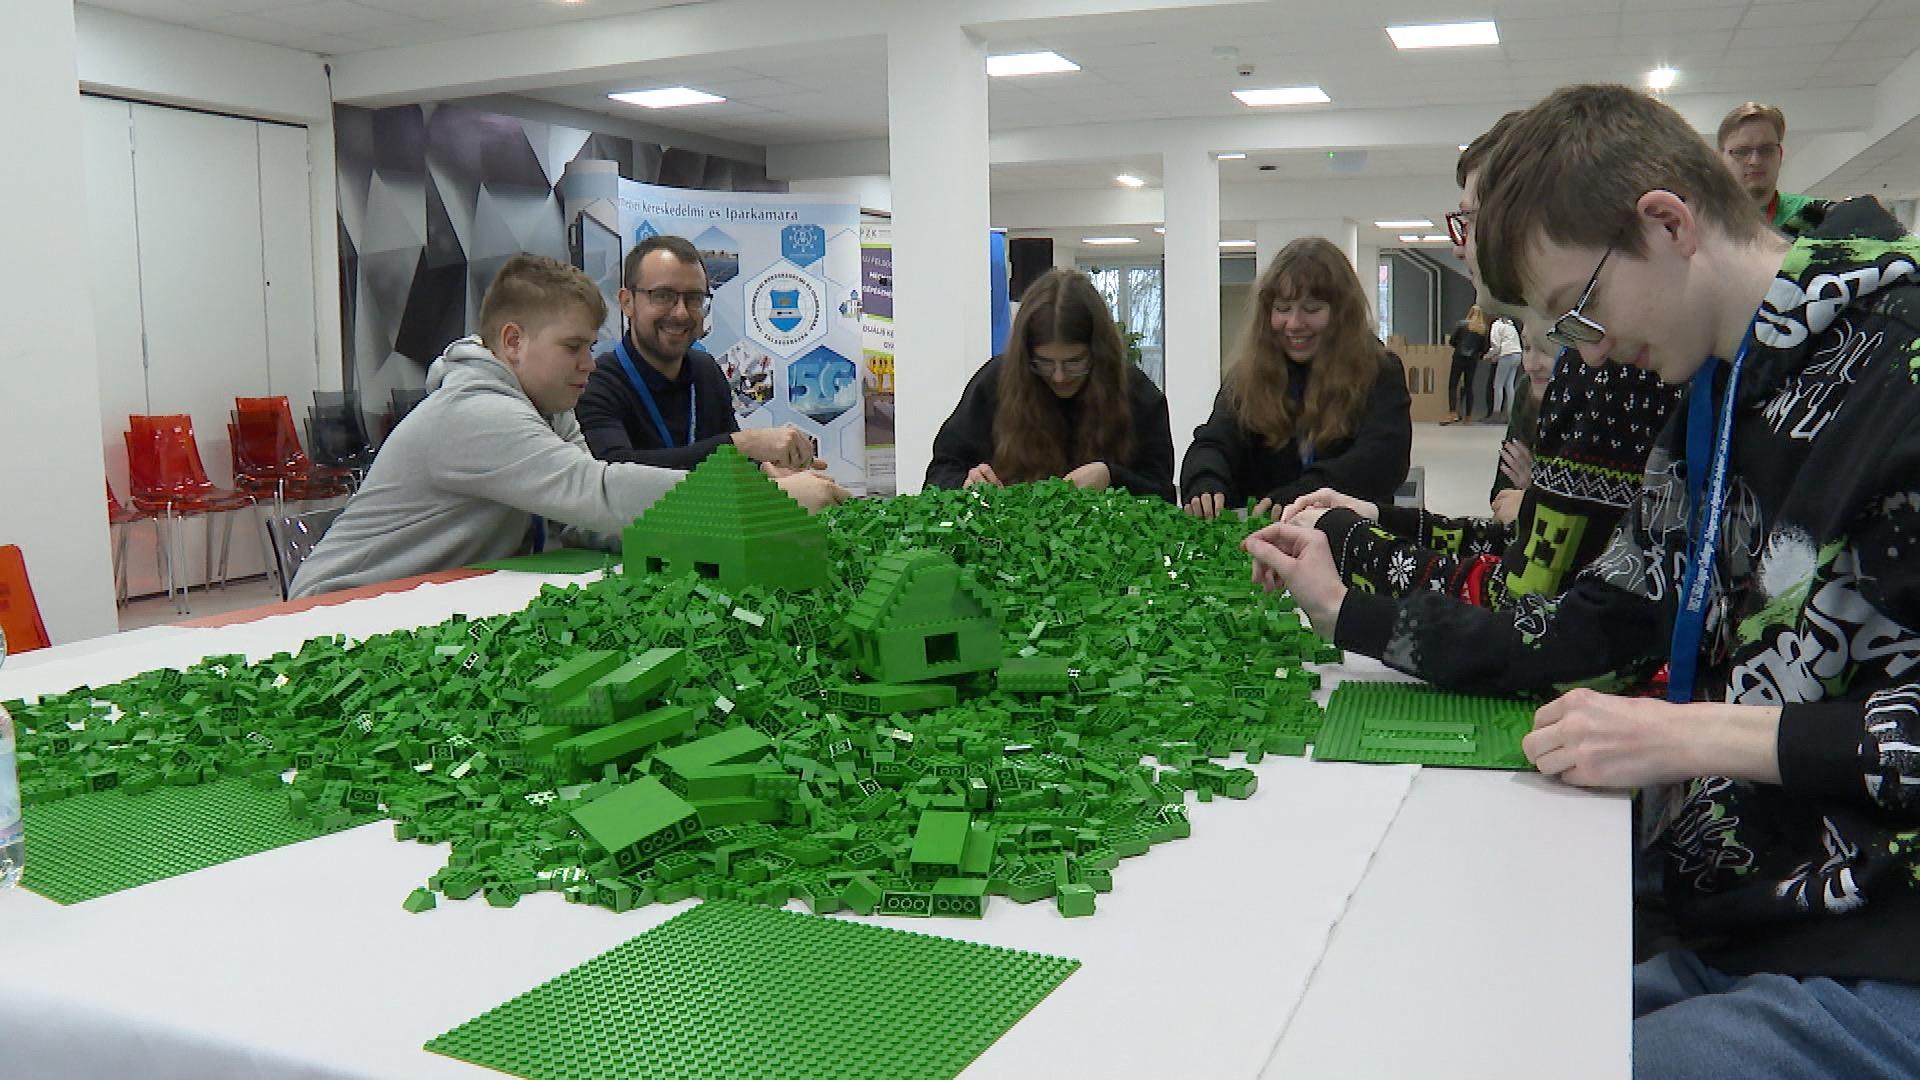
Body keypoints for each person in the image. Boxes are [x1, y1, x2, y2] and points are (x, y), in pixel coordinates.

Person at [1249, 83, 1920, 1078]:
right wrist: (1356, 614)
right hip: (1751, 909)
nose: (1590, 350)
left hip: (1884, 942)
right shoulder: (1712, 387)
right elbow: (1595, 620)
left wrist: (1690, 735)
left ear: (1667, 223)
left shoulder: (1901, 362)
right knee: (1469, 1026)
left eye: (1581, 306)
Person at [292, 255, 848, 598]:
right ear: (514, 341)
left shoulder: (549, 409)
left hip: (431, 596)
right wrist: (766, 499)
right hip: (338, 610)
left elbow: (585, 519)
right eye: (572, 347)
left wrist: (734, 523)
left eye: (590, 347)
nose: (588, 364)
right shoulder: (476, 413)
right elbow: (596, 492)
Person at [1180, 237, 1410, 519]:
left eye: (1311, 309)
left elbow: (1382, 459)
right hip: (1261, 536)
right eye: (1282, 309)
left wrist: (1307, 491)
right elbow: (1215, 441)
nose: (1294, 324)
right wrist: (1205, 479)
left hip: (1348, 533)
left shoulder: (1380, 371)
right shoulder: (1248, 375)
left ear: (1342, 313)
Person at [925, 268, 1174, 500]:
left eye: (1074, 362)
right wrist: (966, 483)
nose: (1059, 377)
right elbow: (941, 471)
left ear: (1098, 352)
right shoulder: (994, 383)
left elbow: (1163, 493)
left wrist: (1112, 477)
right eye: (1044, 363)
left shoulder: (1137, 394)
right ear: (1026, 355)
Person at [576, 234, 817, 473]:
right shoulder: (595, 383)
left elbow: (728, 465)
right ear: (627, 302)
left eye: (694, 298)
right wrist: (742, 445)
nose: (681, 313)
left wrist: (768, 471)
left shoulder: (706, 370)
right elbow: (613, 473)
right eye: (663, 296)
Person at [1717, 102, 1823, 235]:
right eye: (1742, 151)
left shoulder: (1815, 216)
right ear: (1720, 160)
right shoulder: (1700, 222)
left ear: (1780, 155)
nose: (1755, 161)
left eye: (1766, 149)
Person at [1487, 331, 1556, 526]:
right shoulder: (1527, 388)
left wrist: (1536, 490)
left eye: (1546, 350)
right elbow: (1501, 497)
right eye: (1527, 348)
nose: (1531, 365)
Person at [1443, 305, 1490, 425]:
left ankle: (1452, 413)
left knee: (1453, 384)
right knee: (1469, 386)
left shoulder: (1461, 324)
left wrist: (1458, 346)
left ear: (1470, 313)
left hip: (1459, 357)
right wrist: (1477, 354)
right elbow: (1485, 348)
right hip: (1472, 360)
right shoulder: (1483, 329)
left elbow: (1452, 341)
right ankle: (1468, 417)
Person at [1486, 315, 1523, 423]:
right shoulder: (1510, 325)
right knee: (1509, 385)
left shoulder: (1496, 325)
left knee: (1498, 385)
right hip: (1517, 354)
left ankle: (1496, 414)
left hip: (1507, 355)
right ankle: (1510, 415)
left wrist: (1488, 355)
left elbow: (1496, 346)